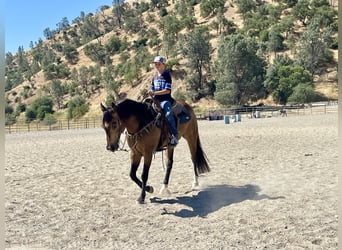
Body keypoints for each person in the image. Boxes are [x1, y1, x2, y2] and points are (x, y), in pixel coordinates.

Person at [148, 55, 178, 147]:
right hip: (155, 100)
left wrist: (155, 92)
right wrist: (150, 92)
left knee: (168, 114)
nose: (157, 66)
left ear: (164, 65)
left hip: (165, 100)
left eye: (159, 64)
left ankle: (174, 136)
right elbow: (151, 88)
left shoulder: (166, 75)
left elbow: (167, 90)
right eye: (155, 64)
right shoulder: (154, 77)